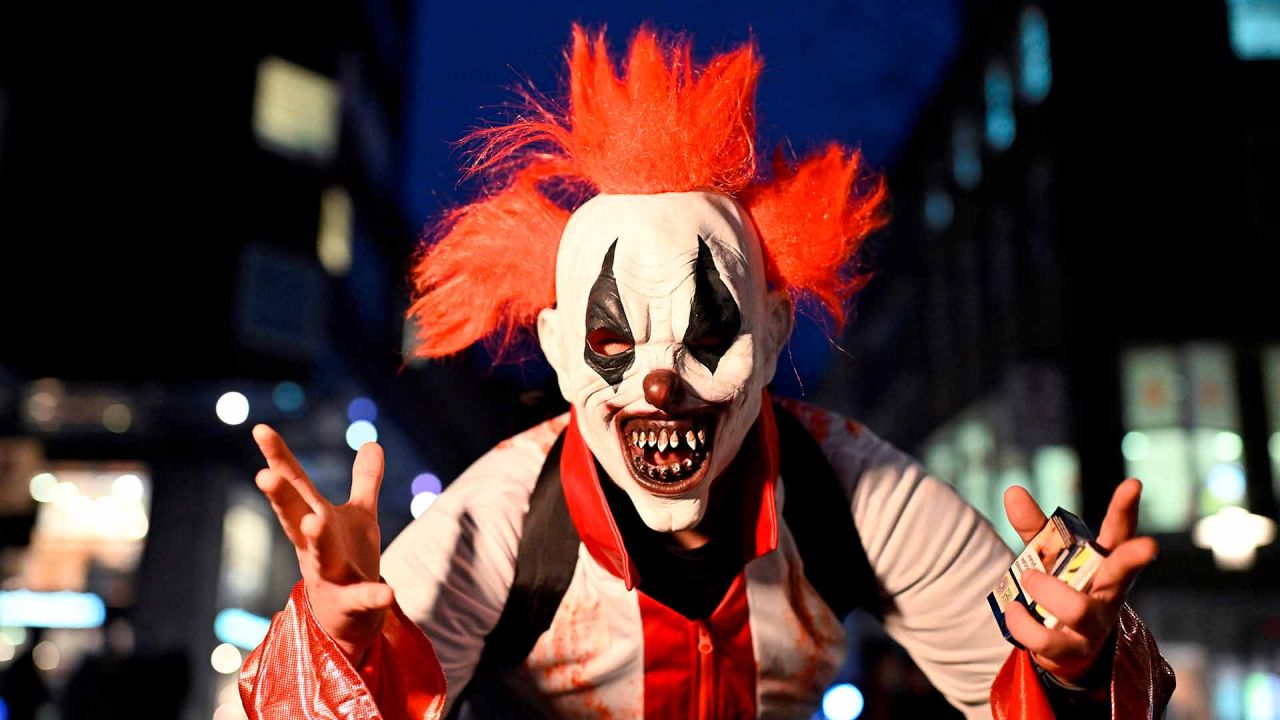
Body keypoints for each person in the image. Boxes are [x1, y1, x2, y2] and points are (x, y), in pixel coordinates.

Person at [238, 26, 1174, 719]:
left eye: (707, 334)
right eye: (615, 342)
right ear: (562, 351)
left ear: (769, 335)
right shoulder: (505, 515)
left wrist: (1077, 665)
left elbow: (1052, 692)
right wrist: (336, 645)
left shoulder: (853, 490)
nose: (657, 384)